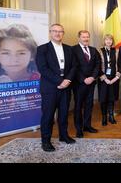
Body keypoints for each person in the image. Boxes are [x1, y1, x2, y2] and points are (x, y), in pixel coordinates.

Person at [36, 24, 76, 152]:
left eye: (60, 31)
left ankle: (63, 136)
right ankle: (46, 141)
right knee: (48, 116)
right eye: (55, 31)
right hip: (50, 88)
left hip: (66, 87)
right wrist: (60, 81)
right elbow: (43, 68)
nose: (58, 34)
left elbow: (74, 67)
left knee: (64, 114)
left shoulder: (69, 49)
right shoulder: (42, 49)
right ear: (50, 33)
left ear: (63, 33)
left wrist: (67, 80)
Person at [72, 30, 100, 138]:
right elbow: (74, 66)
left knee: (89, 105)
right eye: (83, 37)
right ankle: (79, 129)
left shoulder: (93, 50)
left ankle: (87, 125)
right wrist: (83, 79)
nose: (86, 39)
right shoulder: (73, 50)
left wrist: (93, 77)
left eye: (87, 37)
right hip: (79, 83)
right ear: (79, 38)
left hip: (91, 83)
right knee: (78, 106)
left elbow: (97, 64)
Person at [98, 34, 121, 126]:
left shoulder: (116, 51)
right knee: (103, 98)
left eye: (110, 39)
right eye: (107, 39)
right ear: (104, 41)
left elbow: (120, 64)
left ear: (112, 41)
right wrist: (104, 79)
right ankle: (104, 117)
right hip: (103, 79)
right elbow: (97, 66)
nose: (108, 41)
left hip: (113, 78)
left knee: (112, 98)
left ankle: (111, 116)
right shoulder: (99, 51)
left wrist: (116, 77)